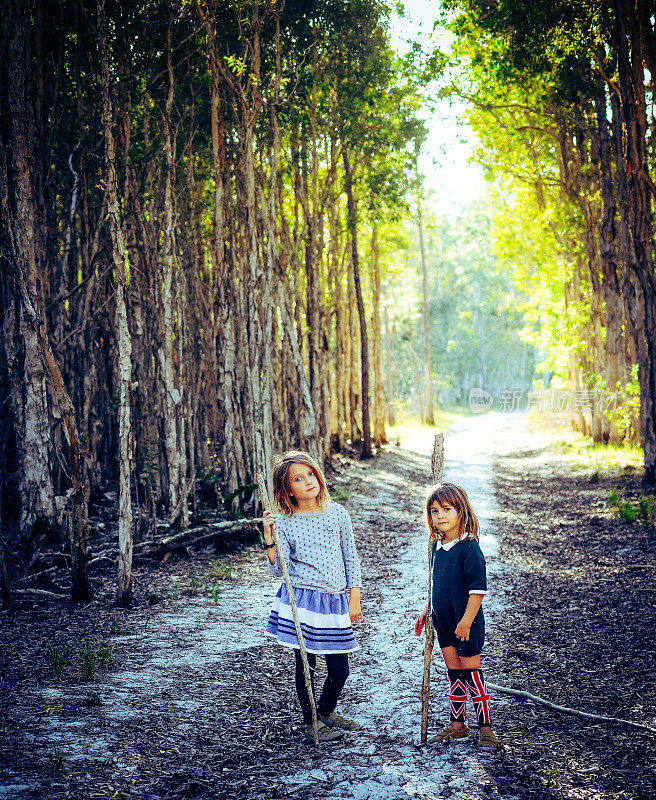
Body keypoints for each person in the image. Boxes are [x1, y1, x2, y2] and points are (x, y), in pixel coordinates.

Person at [263, 450, 362, 743]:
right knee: (306, 665)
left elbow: (350, 557)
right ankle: (311, 724)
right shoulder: (285, 522)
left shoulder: (338, 513)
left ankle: (327, 711)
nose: (308, 481)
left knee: (340, 669)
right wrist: (269, 538)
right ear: (287, 489)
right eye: (298, 478)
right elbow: (279, 570)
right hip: (302, 602)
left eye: (310, 473)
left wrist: (353, 595)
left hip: (333, 601)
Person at [415, 482, 499, 750]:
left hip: (466, 624)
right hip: (444, 622)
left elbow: (477, 592)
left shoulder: (469, 549)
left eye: (447, 509)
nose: (440, 516)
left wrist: (466, 622)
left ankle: (486, 728)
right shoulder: (436, 548)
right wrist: (427, 608)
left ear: (461, 511)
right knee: (455, 675)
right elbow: (436, 584)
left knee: (472, 674)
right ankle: (457, 727)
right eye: (434, 510)